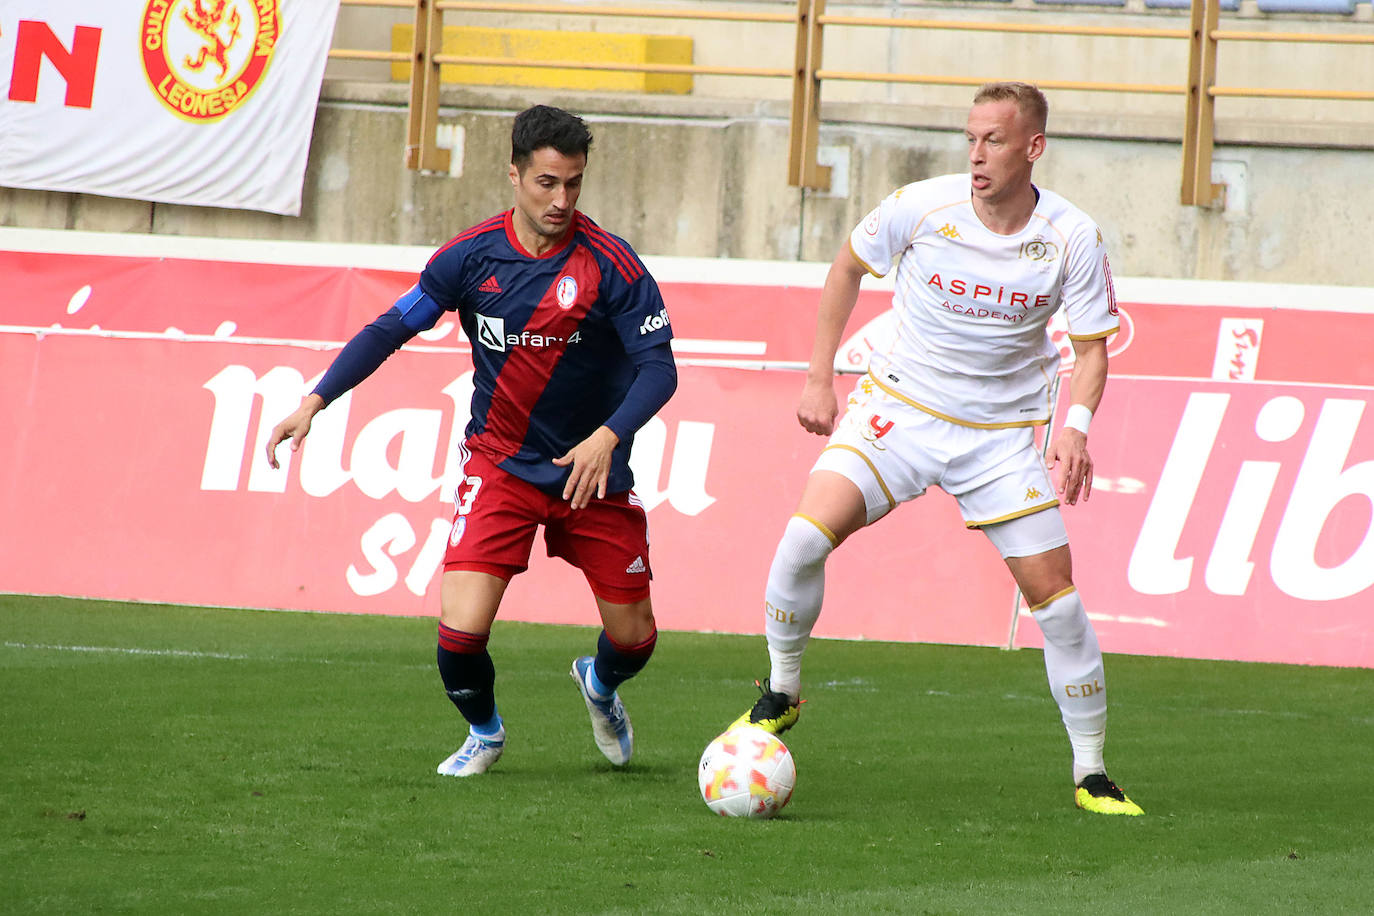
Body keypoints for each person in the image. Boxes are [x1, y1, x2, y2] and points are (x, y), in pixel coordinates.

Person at [729, 82, 1142, 816]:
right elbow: (846, 268)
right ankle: (781, 689)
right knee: (800, 541)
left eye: (994, 140)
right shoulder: (922, 205)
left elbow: (1090, 349)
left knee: (1060, 607)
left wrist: (1074, 425)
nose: (977, 154)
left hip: (1001, 441)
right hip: (899, 412)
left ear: (1033, 148)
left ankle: (1092, 774)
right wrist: (819, 377)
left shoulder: (1072, 235)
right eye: (971, 138)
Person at [266, 105, 677, 777]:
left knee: (634, 639)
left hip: (591, 473)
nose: (561, 199)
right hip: (502, 467)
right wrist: (316, 398)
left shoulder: (611, 264)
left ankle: (600, 683)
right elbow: (391, 326)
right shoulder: (469, 257)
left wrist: (608, 437)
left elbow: (659, 368)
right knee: (459, 633)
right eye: (547, 182)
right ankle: (484, 732)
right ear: (514, 174)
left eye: (573, 183)